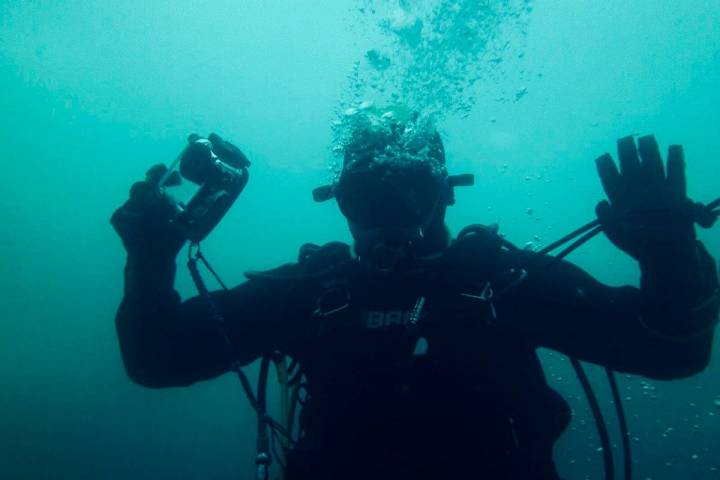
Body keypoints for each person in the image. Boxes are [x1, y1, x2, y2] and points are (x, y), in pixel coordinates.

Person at [111, 113, 718, 480]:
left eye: (407, 193)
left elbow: (669, 354)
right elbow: (159, 359)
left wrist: (670, 254)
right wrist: (150, 259)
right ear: (342, 204)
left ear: (445, 196)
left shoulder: (500, 281)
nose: (386, 217)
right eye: (366, 197)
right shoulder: (311, 293)